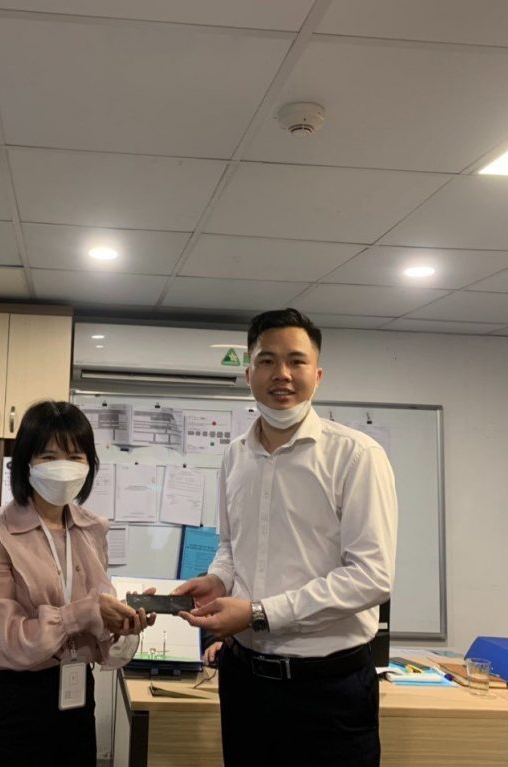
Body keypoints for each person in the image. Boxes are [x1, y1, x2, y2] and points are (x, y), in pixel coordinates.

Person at [174, 308, 398, 766]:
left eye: (296, 361)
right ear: (248, 374)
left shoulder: (356, 456)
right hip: (245, 682)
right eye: (267, 361)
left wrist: (258, 613)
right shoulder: (235, 456)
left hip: (329, 689)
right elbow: (230, 546)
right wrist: (217, 580)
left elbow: (372, 577)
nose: (282, 374)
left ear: (318, 375)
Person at [0, 400, 154, 767]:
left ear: (89, 464)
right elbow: (1, 641)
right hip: (17, 704)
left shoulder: (92, 529)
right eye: (48, 457)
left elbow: (99, 630)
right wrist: (84, 614)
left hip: (78, 700)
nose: (63, 468)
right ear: (26, 463)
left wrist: (121, 623)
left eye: (75, 457)